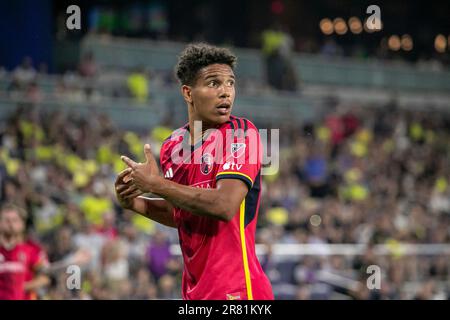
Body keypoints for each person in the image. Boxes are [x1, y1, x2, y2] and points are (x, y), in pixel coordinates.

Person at [115, 43, 273, 300]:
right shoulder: (172, 146)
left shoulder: (241, 134)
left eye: (230, 83)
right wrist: (134, 203)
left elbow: (223, 205)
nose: (226, 93)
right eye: (213, 83)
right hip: (194, 293)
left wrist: (156, 185)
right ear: (188, 93)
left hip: (238, 292)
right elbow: (182, 213)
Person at [0, 203, 50, 299]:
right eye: (6, 220)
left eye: (14, 220)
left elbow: (45, 278)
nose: (10, 224)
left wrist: (23, 286)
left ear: (22, 224)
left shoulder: (33, 249)